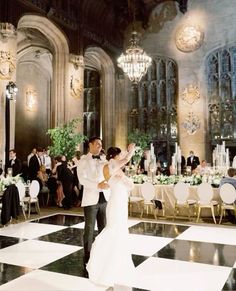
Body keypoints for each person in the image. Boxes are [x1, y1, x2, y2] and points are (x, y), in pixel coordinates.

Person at [86, 143, 136, 288]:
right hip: (117, 202)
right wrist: (131, 150)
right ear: (114, 156)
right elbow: (126, 161)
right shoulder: (113, 165)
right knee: (115, 230)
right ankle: (109, 266)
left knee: (116, 229)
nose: (121, 157)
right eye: (119, 155)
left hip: (117, 201)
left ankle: (114, 262)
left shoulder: (108, 167)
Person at [77, 137, 110, 267]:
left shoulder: (104, 159)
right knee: (89, 228)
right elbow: (82, 180)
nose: (100, 147)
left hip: (105, 198)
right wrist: (98, 185)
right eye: (97, 144)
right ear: (90, 145)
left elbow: (110, 173)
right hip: (91, 198)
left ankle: (102, 252)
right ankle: (88, 254)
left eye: (101, 145)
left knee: (104, 227)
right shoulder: (83, 160)